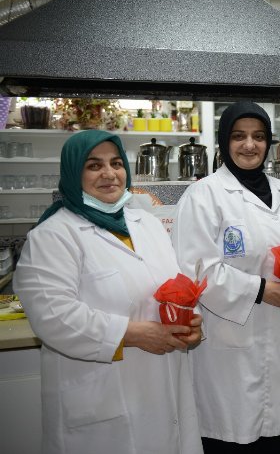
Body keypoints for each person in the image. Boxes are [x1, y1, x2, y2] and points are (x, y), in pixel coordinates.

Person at [14, 130, 203, 454]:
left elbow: (173, 285)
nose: (109, 173)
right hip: (100, 401)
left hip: (162, 392)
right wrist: (134, 334)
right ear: (73, 173)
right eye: (93, 165)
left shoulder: (147, 224)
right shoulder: (53, 235)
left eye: (116, 163)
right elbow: (54, 318)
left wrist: (190, 321)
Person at [172, 102, 280, 453]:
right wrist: (264, 290)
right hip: (232, 353)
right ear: (224, 142)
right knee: (232, 440)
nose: (249, 145)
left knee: (279, 439)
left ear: (268, 143)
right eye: (239, 136)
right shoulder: (203, 195)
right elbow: (197, 272)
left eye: (258, 136)